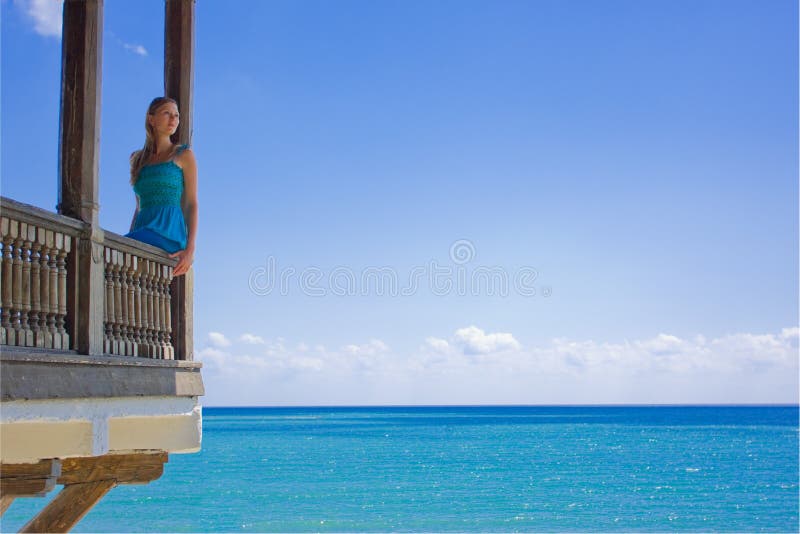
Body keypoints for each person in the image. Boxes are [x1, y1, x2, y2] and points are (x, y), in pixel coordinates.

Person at [124, 96, 198, 278]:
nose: (174, 120)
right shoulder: (137, 159)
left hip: (169, 233)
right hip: (143, 231)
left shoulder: (183, 155)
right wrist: (129, 238)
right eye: (167, 114)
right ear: (151, 119)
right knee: (119, 251)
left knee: (110, 248)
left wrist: (190, 250)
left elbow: (191, 204)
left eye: (177, 115)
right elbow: (139, 207)